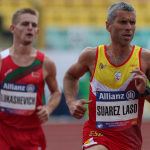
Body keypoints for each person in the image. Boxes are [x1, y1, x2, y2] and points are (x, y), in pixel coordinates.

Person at [63, 2, 150, 150]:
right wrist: (71, 102)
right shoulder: (92, 56)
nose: (129, 27)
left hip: (129, 141)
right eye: (123, 22)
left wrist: (144, 91)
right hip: (97, 133)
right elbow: (70, 75)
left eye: (132, 22)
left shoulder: (145, 58)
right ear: (108, 26)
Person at [0, 8, 62, 150]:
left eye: (33, 25)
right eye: (25, 24)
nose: (30, 28)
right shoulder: (1, 60)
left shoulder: (46, 63)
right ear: (12, 29)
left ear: (37, 32)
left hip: (32, 133)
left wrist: (48, 109)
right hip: (3, 131)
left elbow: (56, 92)